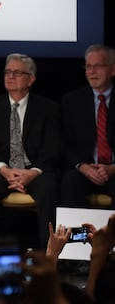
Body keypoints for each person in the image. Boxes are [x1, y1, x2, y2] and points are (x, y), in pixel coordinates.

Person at [0, 53, 62, 247]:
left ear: (31, 79)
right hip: (3, 169)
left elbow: (52, 147)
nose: (10, 76)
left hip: (35, 169)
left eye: (17, 72)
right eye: (7, 72)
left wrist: (33, 173)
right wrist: (5, 171)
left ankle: (49, 250)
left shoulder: (48, 108)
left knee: (49, 188)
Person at [60, 44, 115, 207]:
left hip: (113, 170)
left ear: (112, 69)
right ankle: (79, 227)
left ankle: (110, 227)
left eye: (98, 66)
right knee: (70, 181)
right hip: (85, 170)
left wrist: (112, 169)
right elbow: (64, 144)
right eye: (88, 67)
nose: (91, 72)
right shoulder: (71, 101)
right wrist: (82, 167)